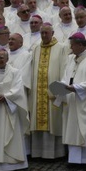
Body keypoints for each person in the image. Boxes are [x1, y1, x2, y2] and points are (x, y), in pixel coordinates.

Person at [59, 32, 86, 169]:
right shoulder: (71, 59)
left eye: (72, 45)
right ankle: (74, 159)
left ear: (80, 45)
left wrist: (76, 88)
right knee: (72, 129)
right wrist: (61, 87)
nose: (70, 48)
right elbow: (66, 77)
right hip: (72, 100)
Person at [29, 23, 66, 159]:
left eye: (46, 33)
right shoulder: (36, 48)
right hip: (38, 92)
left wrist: (60, 91)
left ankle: (55, 153)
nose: (44, 36)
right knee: (38, 121)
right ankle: (38, 153)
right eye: (42, 33)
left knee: (54, 121)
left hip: (53, 92)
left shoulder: (61, 48)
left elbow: (64, 70)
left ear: (52, 33)